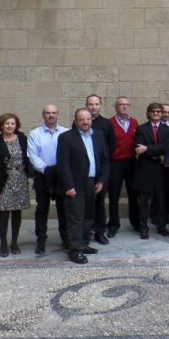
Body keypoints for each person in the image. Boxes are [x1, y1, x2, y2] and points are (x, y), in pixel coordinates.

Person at [56, 108, 109, 264]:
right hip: (75, 184)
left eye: (88, 119)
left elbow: (105, 161)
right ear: (76, 120)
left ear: (91, 119)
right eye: (81, 119)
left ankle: (84, 244)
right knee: (75, 218)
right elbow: (63, 164)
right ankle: (74, 250)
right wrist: (68, 185)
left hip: (92, 183)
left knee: (88, 216)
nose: (85, 122)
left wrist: (101, 181)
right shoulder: (66, 137)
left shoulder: (98, 135)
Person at [0, 113, 30, 257]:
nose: (10, 126)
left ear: (16, 125)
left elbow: (29, 158)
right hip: (3, 183)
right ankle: (4, 244)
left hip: (20, 181)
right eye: (7, 123)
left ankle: (15, 242)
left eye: (12, 123)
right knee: (3, 214)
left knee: (17, 213)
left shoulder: (23, 139)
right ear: (1, 125)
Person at [27, 104, 69, 254]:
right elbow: (33, 156)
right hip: (42, 176)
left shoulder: (66, 132)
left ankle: (66, 239)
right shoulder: (35, 134)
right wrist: (47, 170)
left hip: (61, 177)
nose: (51, 115)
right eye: (47, 113)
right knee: (42, 210)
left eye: (53, 113)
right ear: (43, 115)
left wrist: (59, 171)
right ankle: (41, 241)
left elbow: (69, 155)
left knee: (63, 209)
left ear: (58, 114)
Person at [133, 102, 169, 239]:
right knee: (144, 201)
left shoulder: (167, 130)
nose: (156, 113)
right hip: (145, 169)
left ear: (162, 114)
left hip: (161, 170)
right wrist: (157, 151)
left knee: (161, 200)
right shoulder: (141, 129)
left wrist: (148, 149)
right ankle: (143, 228)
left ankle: (162, 226)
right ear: (148, 113)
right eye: (153, 111)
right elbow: (139, 149)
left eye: (158, 111)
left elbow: (168, 146)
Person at [85, 94, 115, 246]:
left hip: (101, 170)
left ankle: (100, 232)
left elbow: (112, 145)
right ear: (87, 105)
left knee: (100, 203)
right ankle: (86, 230)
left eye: (96, 104)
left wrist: (102, 160)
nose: (94, 107)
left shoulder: (106, 123)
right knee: (86, 203)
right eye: (91, 104)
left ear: (100, 105)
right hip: (85, 172)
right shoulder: (79, 122)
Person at [107, 96, 139, 237]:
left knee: (133, 194)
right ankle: (114, 224)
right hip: (115, 163)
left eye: (127, 104)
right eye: (121, 105)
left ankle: (135, 222)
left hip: (131, 162)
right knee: (114, 195)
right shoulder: (110, 123)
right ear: (116, 107)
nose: (125, 107)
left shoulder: (134, 122)